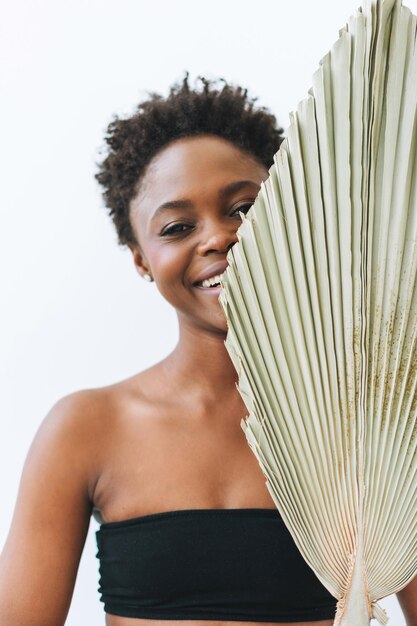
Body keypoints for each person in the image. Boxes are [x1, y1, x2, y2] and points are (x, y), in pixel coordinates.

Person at [0, 74, 416, 626]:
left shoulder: (367, 423)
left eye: (243, 208)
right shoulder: (86, 428)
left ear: (293, 219)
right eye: (176, 226)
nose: (218, 237)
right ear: (141, 260)